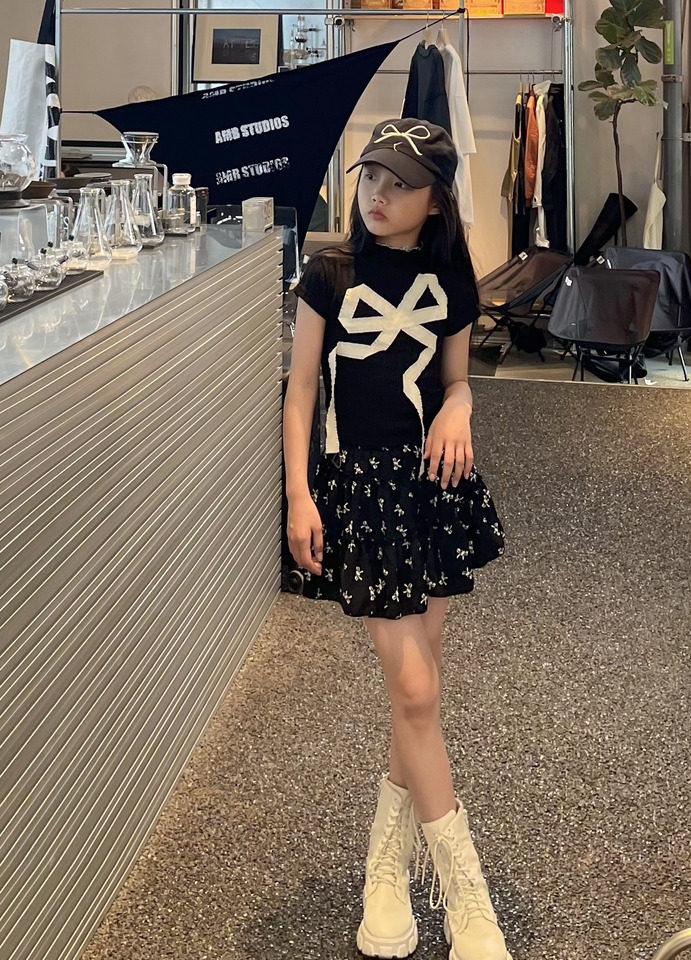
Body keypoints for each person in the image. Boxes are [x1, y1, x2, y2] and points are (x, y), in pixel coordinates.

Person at [283, 118, 511, 960]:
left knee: (419, 694)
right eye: (372, 176)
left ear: (436, 200)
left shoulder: (450, 277)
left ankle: (387, 868)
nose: (379, 194)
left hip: (430, 488)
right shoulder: (329, 273)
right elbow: (301, 392)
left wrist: (462, 406)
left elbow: (455, 379)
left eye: (401, 183)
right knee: (415, 693)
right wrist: (299, 495)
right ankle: (466, 897)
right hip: (359, 489)